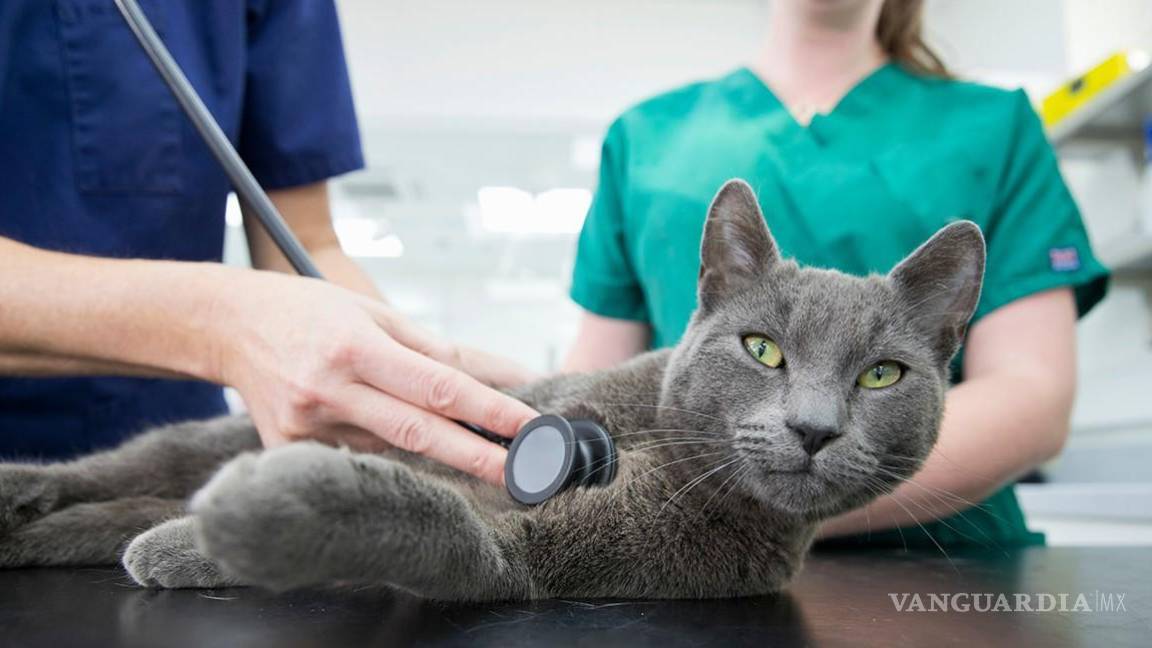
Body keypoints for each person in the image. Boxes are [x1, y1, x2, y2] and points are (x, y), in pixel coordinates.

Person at [564, 0, 1109, 547]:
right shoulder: (644, 137)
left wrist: (733, 515)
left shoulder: (995, 127)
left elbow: (1031, 396)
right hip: (671, 571)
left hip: (938, 578)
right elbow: (596, 391)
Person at [0, 0, 536, 484]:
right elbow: (247, 315)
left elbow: (304, 244)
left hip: (173, 473)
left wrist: (406, 378)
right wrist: (222, 325)